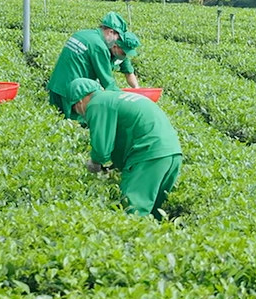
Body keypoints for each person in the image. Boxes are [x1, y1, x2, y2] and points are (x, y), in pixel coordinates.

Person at [67, 79, 182, 218]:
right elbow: (125, 134)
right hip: (172, 152)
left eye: (75, 109)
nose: (79, 113)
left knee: (132, 212)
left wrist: (95, 163)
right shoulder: (115, 97)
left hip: (148, 154)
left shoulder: (96, 104)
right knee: (154, 212)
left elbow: (101, 148)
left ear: (79, 102)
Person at [45, 13, 141, 118]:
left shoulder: (83, 34)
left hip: (56, 85)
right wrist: (126, 101)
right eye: (117, 37)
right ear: (111, 32)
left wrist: (136, 89)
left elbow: (127, 71)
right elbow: (108, 82)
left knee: (55, 118)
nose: (116, 41)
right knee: (73, 124)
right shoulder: (99, 46)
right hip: (73, 91)